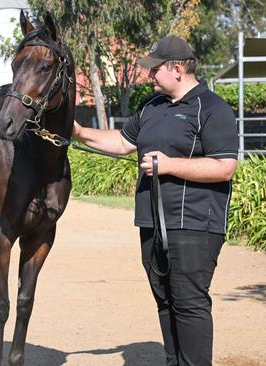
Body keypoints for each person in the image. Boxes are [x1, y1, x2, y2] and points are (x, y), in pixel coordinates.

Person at [72, 35, 238, 366]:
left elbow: (224, 167)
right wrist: (78, 132)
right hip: (151, 221)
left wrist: (169, 164)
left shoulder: (213, 108)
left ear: (177, 69)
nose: (149, 76)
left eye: (154, 69)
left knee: (189, 301)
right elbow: (121, 142)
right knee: (164, 299)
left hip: (194, 223)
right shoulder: (151, 107)